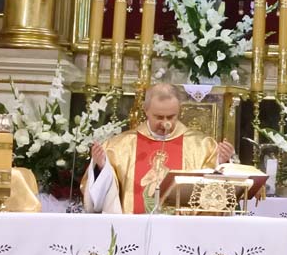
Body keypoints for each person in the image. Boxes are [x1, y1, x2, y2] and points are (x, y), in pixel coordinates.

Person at [82, 83, 236, 213]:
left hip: (183, 232)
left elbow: (214, 194)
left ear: (179, 111)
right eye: (159, 117)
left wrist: (221, 163)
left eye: (171, 117)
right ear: (146, 110)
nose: (165, 123)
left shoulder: (203, 146)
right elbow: (101, 198)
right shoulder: (118, 146)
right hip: (132, 230)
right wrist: (101, 167)